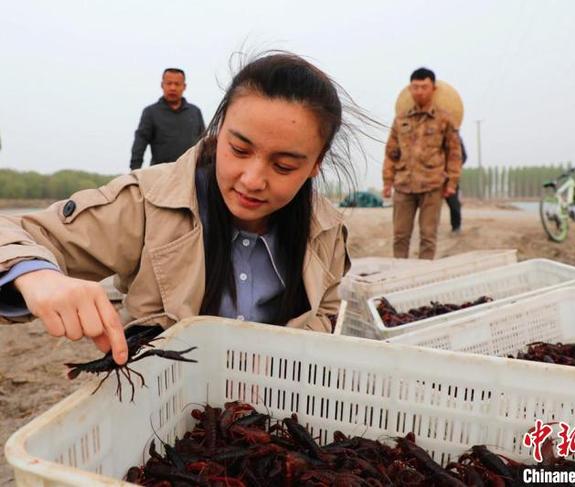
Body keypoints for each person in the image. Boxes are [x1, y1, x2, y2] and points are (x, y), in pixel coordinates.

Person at [0, 53, 356, 365]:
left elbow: (326, 311)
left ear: (315, 164)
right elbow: (20, 233)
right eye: (239, 150)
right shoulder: (146, 203)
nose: (251, 180)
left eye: (283, 166)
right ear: (218, 132)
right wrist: (37, 277)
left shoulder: (325, 230)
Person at [382, 68, 462, 259]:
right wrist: (387, 182)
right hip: (403, 186)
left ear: (433, 88)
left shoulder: (444, 119)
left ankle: (422, 281)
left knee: (428, 238)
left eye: (424, 87)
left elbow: (454, 153)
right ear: (410, 89)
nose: (419, 91)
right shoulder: (400, 119)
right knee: (400, 237)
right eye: (415, 87)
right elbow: (391, 152)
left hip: (432, 186)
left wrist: (451, 183)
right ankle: (397, 278)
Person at [130, 68, 206, 170]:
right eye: (169, 83)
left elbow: (204, 143)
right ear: (162, 85)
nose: (173, 88)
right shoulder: (151, 112)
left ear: (184, 86)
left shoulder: (194, 112)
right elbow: (140, 143)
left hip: (191, 173)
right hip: (160, 174)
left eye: (177, 84)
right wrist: (134, 170)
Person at [445, 136, 467, 233]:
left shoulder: (455, 137)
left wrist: (454, 168)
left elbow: (463, 157)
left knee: (454, 203)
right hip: (433, 175)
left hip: (450, 176)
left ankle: (456, 227)